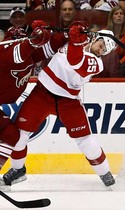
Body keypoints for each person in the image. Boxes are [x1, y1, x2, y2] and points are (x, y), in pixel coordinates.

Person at [0, 23, 117, 188]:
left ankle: (105, 173)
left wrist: (75, 41)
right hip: (41, 93)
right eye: (101, 45)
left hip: (68, 102)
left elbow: (75, 61)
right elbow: (52, 43)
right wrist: (52, 30)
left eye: (105, 51)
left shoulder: (96, 63)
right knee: (20, 135)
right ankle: (18, 170)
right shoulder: (77, 41)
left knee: (85, 141)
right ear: (95, 38)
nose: (101, 51)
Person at [0, 20, 67, 180]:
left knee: (12, 135)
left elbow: (47, 49)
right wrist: (33, 41)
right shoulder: (5, 53)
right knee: (11, 135)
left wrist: (65, 35)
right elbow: (17, 53)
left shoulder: (29, 53)